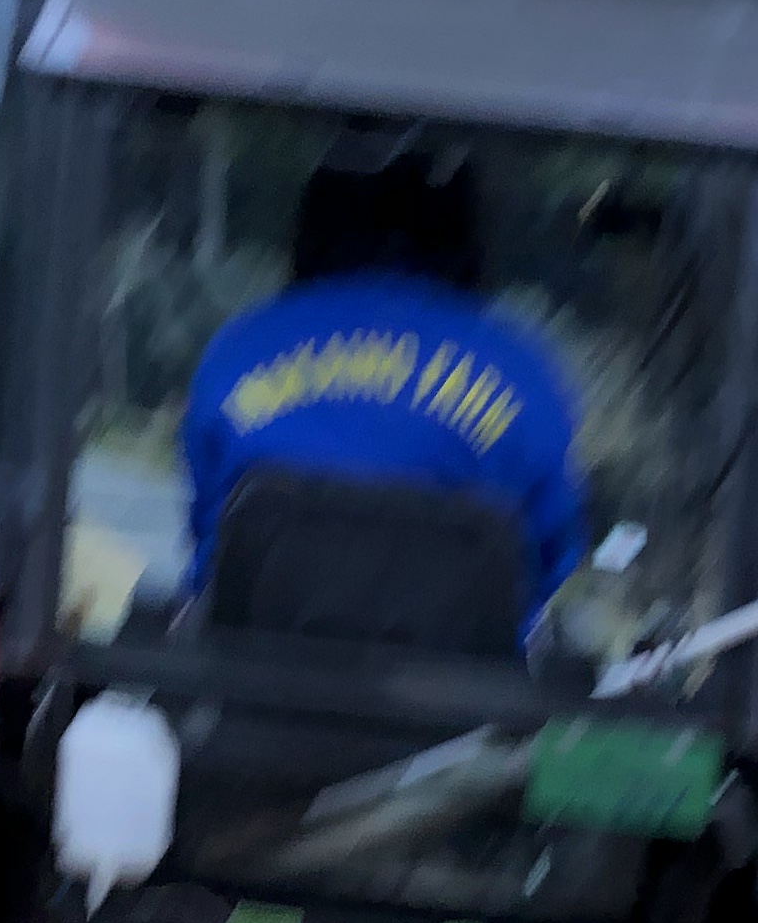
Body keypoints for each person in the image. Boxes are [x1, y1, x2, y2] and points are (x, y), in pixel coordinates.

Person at [181, 140, 584, 642]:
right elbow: (546, 561)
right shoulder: (525, 373)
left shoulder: (241, 348)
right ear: (465, 232)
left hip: (245, 678)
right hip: (456, 690)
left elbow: (207, 542)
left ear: (313, 221)